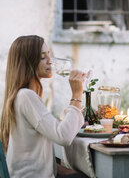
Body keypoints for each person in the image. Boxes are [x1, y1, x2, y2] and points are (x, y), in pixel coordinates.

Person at [0, 35, 86, 178]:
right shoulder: (26, 96)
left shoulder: (21, 95)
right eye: (42, 57)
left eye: (49, 55)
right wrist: (77, 94)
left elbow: (38, 152)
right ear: (27, 63)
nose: (50, 61)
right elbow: (63, 136)